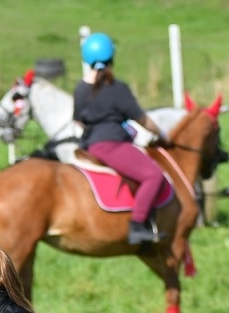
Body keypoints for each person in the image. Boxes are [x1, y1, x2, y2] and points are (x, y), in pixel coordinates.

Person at [72, 32, 168, 247]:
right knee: (153, 175)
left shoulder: (80, 88)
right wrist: (162, 134)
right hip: (112, 144)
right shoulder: (117, 88)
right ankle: (137, 225)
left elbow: (79, 121)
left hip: (91, 145)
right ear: (111, 58)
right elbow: (142, 119)